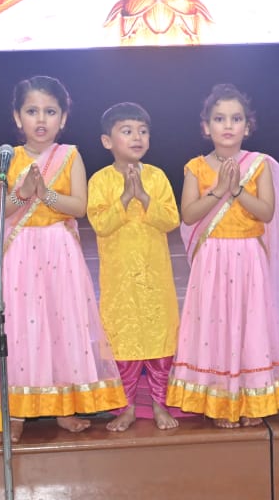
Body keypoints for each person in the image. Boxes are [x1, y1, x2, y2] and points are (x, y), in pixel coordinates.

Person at [0, 76, 125, 440]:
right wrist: (22, 193)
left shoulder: (69, 155)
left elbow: (79, 206)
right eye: (32, 111)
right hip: (20, 253)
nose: (41, 119)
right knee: (21, 328)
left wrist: (45, 194)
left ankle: (65, 406)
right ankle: (17, 412)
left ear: (63, 118)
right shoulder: (7, 157)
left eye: (50, 112)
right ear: (17, 117)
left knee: (62, 324)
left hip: (59, 250)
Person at [166, 83, 279, 427]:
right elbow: (189, 215)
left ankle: (251, 400)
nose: (228, 125)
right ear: (206, 126)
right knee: (215, 323)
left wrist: (237, 189)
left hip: (249, 256)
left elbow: (266, 212)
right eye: (220, 118)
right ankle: (220, 402)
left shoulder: (259, 165)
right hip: (212, 258)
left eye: (236, 118)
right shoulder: (195, 167)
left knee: (249, 324)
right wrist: (219, 190)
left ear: (247, 127)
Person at [87, 102, 181, 432]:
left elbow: (171, 220)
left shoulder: (157, 176)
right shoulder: (100, 181)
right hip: (120, 282)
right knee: (123, 343)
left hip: (156, 280)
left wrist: (144, 196)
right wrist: (125, 197)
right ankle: (126, 408)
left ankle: (159, 405)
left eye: (142, 131)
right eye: (127, 131)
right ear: (107, 141)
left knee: (160, 343)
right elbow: (100, 224)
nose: (137, 137)